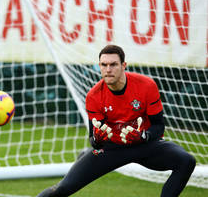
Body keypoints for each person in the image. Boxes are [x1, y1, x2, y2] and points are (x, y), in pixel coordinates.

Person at [36, 44, 196, 197]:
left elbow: (159, 126)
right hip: (112, 148)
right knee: (62, 188)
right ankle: (87, 155)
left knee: (187, 161)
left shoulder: (146, 85)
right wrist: (97, 141)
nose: (108, 69)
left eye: (113, 64)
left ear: (123, 65)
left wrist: (143, 136)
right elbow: (94, 138)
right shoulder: (94, 96)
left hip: (145, 145)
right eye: (103, 65)